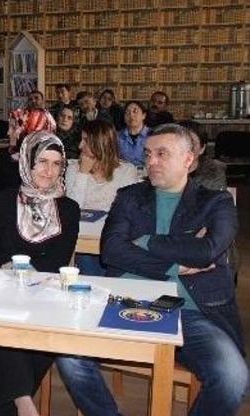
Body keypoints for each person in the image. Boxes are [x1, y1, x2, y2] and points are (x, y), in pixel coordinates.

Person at [55, 124, 246, 416]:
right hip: (128, 302)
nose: (151, 161)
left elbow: (207, 251)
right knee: (70, 356)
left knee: (232, 377)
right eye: (148, 154)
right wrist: (173, 264)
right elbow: (112, 250)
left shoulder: (216, 202)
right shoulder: (130, 196)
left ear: (188, 159)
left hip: (191, 312)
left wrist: (144, 242)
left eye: (161, 154)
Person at [0, 131, 80, 415]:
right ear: (27, 162)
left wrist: (29, 276)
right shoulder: (2, 201)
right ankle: (23, 400)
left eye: (57, 164)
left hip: (43, 297)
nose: (49, 171)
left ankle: (14, 402)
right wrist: (10, 268)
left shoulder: (69, 210)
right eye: (42, 161)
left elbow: (56, 264)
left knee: (8, 332)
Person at [64, 120, 138, 276]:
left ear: (101, 144)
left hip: (113, 237)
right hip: (82, 237)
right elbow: (72, 208)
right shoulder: (73, 169)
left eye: (85, 141)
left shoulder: (126, 171)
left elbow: (125, 212)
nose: (79, 146)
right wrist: (83, 173)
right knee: (86, 260)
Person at [0, 108, 55, 202]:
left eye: (13, 128)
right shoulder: (4, 156)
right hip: (5, 212)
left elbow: (53, 200)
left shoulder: (52, 160)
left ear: (29, 130)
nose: (8, 133)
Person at [179, 120, 227, 191]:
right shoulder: (162, 167)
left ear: (202, 149)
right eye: (180, 143)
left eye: (192, 144)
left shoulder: (213, 174)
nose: (186, 149)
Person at [117, 101, 150, 168]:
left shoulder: (153, 135)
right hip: (125, 174)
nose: (131, 115)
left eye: (135, 111)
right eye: (127, 112)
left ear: (144, 115)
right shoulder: (117, 136)